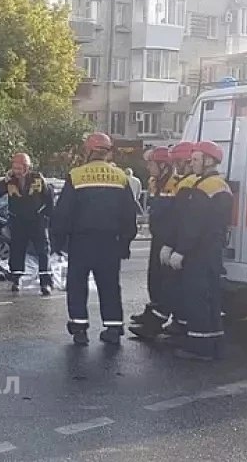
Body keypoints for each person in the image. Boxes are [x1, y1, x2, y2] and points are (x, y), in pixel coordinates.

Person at [50, 133, 139, 346]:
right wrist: (125, 242)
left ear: (88, 151)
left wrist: (57, 241)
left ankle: (80, 330)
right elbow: (129, 213)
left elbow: (63, 213)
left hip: (82, 242)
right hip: (110, 242)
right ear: (108, 152)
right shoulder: (120, 177)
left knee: (77, 285)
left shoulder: (77, 175)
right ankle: (114, 328)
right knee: (109, 286)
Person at [167, 141, 233, 361]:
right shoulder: (219, 185)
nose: (191, 163)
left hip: (200, 251)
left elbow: (194, 224)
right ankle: (214, 341)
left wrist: (180, 250)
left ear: (208, 161)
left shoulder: (205, 188)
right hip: (212, 250)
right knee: (211, 297)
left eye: (195, 159)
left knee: (197, 297)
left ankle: (199, 345)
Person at [129, 147, 179, 339]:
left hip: (168, 240)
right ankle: (152, 310)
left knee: (166, 281)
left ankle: (157, 320)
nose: (148, 167)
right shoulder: (153, 182)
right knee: (154, 278)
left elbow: (176, 217)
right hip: (158, 237)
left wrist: (171, 243)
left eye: (151, 164)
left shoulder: (175, 183)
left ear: (164, 166)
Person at [0, 153, 55, 294]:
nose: (17, 171)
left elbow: (49, 197)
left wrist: (45, 217)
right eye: (14, 168)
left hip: (36, 222)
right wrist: (4, 181)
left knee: (43, 251)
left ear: (27, 168)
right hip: (18, 221)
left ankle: (46, 283)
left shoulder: (38, 178)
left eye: (19, 168)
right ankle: (16, 280)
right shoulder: (10, 180)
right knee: (17, 251)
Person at [157, 141, 199, 339]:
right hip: (185, 243)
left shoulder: (189, 184)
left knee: (182, 286)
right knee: (180, 286)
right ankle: (180, 322)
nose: (176, 166)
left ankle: (182, 325)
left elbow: (182, 220)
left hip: (188, 245)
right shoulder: (189, 182)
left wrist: (176, 247)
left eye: (178, 162)